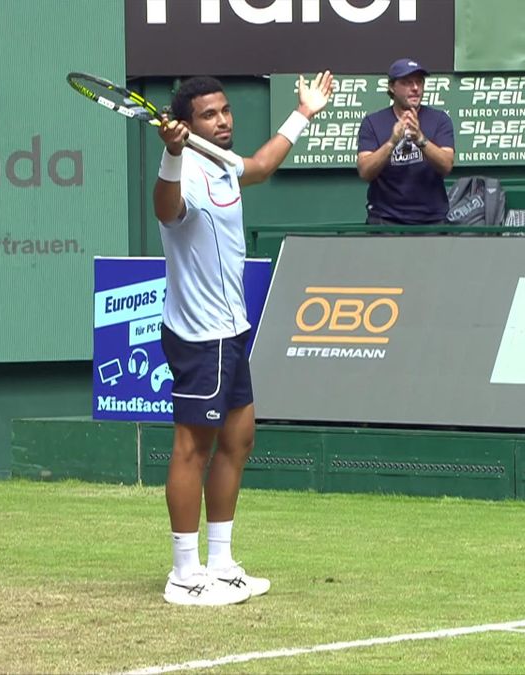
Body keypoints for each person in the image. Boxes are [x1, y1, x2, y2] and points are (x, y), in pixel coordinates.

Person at [153, 71, 333, 606]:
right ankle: (184, 575)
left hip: (232, 330)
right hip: (198, 335)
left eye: (225, 110)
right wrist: (169, 155)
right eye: (209, 114)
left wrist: (304, 112)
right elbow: (164, 210)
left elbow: (260, 165)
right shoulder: (181, 175)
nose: (223, 120)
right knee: (192, 448)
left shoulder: (225, 165)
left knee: (238, 441)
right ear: (185, 125)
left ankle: (222, 563)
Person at [356, 58, 455, 226]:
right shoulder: (373, 122)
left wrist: (420, 139)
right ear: (392, 87)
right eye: (407, 83)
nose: (415, 88)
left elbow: (446, 165)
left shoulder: (440, 119)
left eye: (419, 82)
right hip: (385, 220)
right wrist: (392, 142)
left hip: (432, 220)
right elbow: (365, 171)